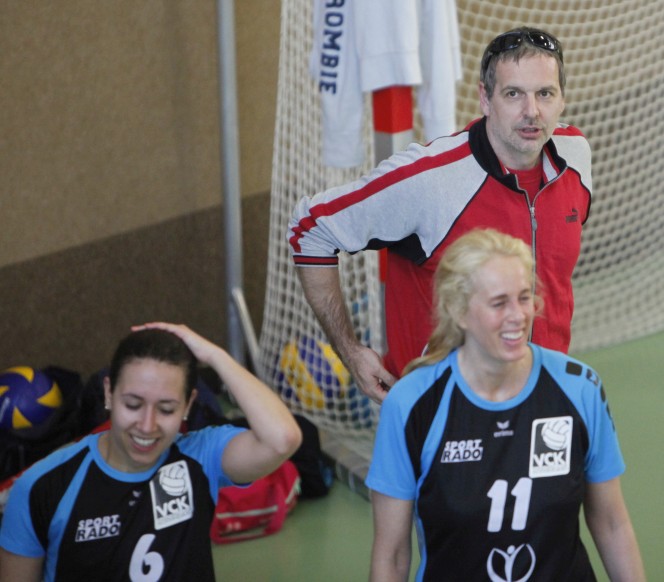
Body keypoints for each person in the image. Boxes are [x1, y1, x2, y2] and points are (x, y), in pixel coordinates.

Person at [288, 27, 591, 403]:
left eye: (545, 93)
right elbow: (310, 229)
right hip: (441, 411)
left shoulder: (574, 155)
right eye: (513, 94)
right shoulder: (430, 180)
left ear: (562, 99)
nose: (532, 111)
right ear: (485, 98)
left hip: (542, 398)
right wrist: (349, 352)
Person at [365, 229, 645, 581]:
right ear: (458, 311)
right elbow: (391, 555)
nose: (518, 316)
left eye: (524, 298)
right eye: (499, 303)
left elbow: (612, 523)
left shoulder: (578, 388)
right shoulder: (413, 403)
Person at [0, 323, 302, 582]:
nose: (147, 426)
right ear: (108, 393)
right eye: (133, 404)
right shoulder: (42, 486)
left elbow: (282, 439)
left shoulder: (200, 456)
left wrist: (215, 355)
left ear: (188, 405)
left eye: (167, 409)